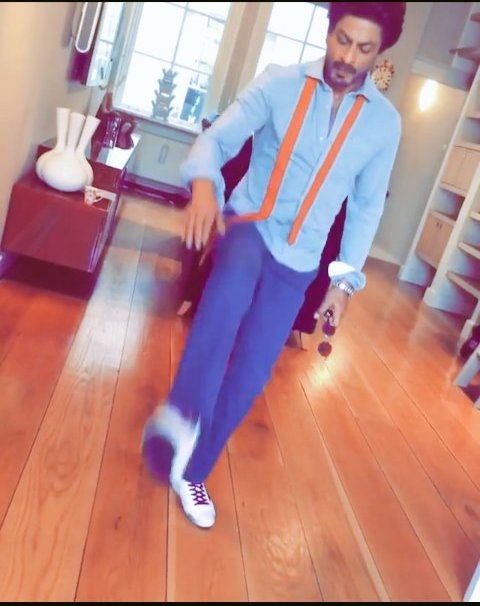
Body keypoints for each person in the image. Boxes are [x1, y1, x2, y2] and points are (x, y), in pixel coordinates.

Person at [141, 1, 406, 529]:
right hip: (249, 227)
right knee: (230, 292)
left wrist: (343, 284)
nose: (348, 57)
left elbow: (366, 207)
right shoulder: (280, 82)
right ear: (329, 32)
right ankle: (182, 412)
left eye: (364, 48)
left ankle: (194, 468)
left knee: (254, 371)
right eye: (342, 40)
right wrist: (203, 185)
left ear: (379, 54)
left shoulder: (385, 125)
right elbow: (218, 138)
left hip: (302, 259)